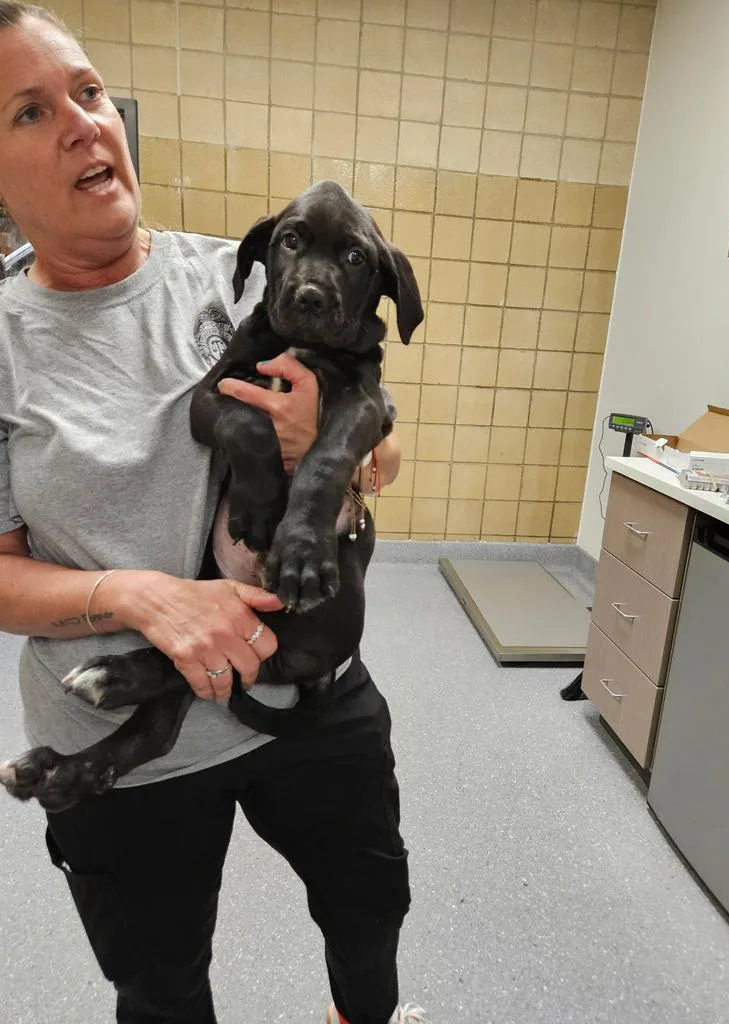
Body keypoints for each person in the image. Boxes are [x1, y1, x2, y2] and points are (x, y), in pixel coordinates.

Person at [0, 5, 425, 1023]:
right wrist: (140, 596)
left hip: (314, 688)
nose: (84, 124)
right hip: (121, 725)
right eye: (28, 110)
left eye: (90, 92)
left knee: (370, 916)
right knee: (158, 985)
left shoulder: (237, 273)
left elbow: (387, 450)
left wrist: (335, 445)